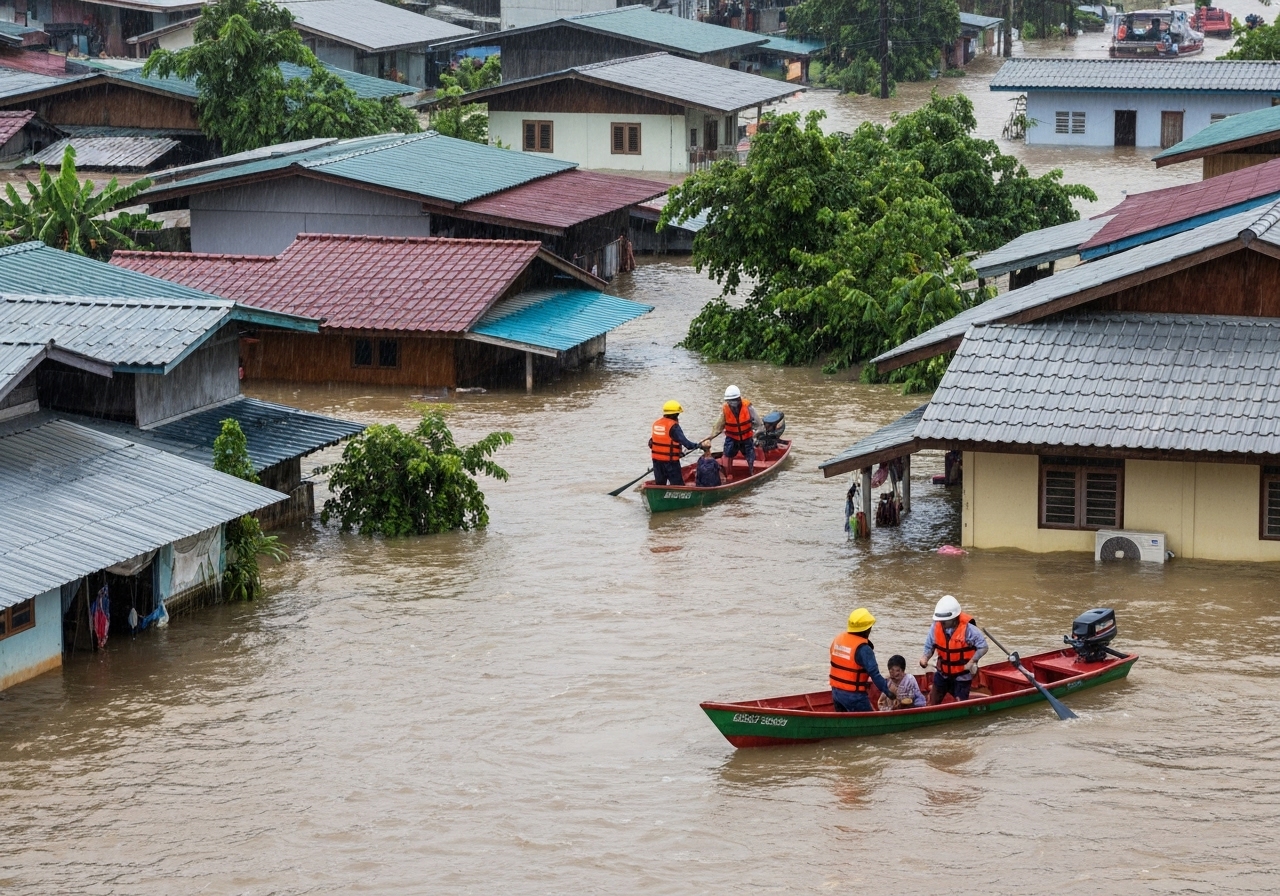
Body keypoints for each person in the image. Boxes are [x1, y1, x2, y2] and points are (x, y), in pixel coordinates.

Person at [919, 595, 988, 705]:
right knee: (932, 702)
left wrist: (971, 662)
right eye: (940, 620)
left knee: (959, 704)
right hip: (942, 673)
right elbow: (929, 646)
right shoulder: (935, 627)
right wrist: (925, 658)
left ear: (954, 618)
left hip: (962, 675)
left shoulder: (969, 630)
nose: (942, 623)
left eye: (945, 621)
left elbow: (983, 647)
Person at [830, 607, 895, 713]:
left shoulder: (838, 639)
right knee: (871, 723)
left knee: (845, 720)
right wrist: (889, 693)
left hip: (836, 693)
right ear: (867, 629)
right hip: (854, 697)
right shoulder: (864, 649)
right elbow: (875, 675)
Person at [649, 400, 709, 487]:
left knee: (660, 485)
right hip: (671, 463)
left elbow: (651, 443)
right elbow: (687, 444)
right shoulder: (674, 426)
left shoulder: (656, 424)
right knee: (678, 486)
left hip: (657, 462)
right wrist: (699, 446)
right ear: (676, 415)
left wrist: (676, 452)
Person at [710, 385, 761, 477]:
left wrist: (757, 434)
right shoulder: (725, 409)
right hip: (732, 438)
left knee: (750, 455)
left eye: (733, 400)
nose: (731, 403)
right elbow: (718, 426)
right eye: (729, 401)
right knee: (728, 455)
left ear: (738, 399)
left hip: (746, 437)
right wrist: (710, 437)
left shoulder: (748, 407)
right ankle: (728, 474)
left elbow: (758, 422)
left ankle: (751, 472)